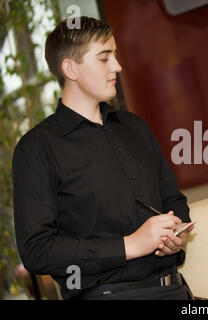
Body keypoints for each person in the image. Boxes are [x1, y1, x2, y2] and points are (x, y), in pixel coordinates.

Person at [12, 16, 194, 300]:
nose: (117, 67)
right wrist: (130, 245)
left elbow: (173, 200)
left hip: (175, 289)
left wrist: (176, 236)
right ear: (70, 68)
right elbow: (38, 251)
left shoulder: (134, 126)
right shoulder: (36, 148)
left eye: (116, 56)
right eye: (104, 58)